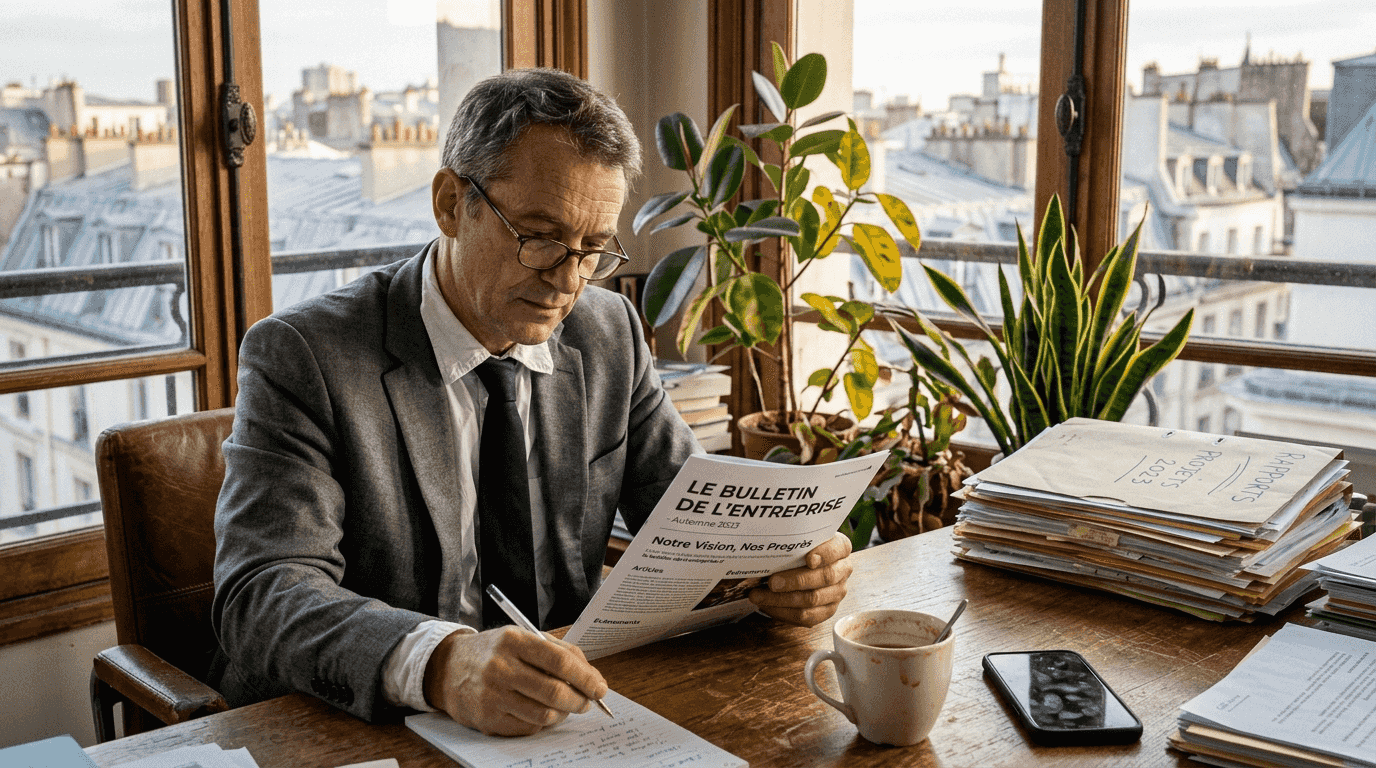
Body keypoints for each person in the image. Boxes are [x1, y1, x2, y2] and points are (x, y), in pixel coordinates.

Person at [211, 68, 854, 738]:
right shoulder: (305, 355)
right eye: (540, 238)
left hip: (569, 717)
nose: (566, 281)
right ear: (451, 204)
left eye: (593, 251)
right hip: (371, 727)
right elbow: (262, 594)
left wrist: (783, 564)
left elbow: (691, 511)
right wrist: (440, 663)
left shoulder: (609, 332)